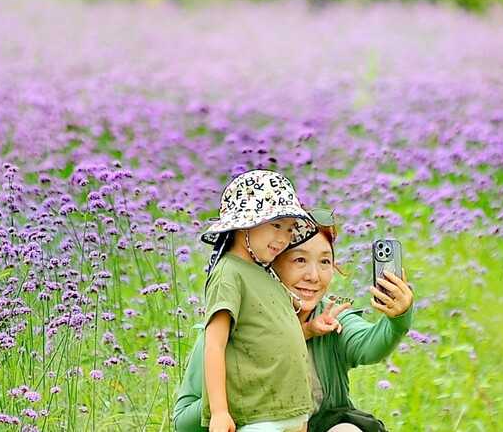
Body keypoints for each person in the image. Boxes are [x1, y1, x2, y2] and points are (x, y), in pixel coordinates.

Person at [174, 209, 414, 432]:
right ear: (270, 266)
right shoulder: (228, 326)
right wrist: (235, 387)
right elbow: (183, 422)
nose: (313, 276)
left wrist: (398, 318)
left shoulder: (330, 319)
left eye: (324, 262)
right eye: (299, 260)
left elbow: (370, 346)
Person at [200, 169, 319, 432]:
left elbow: (270, 332)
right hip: (258, 416)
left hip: (291, 411)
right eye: (276, 225)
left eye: (289, 229)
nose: (283, 238)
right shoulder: (229, 272)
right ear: (244, 225)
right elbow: (215, 344)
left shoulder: (265, 272)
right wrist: (220, 412)